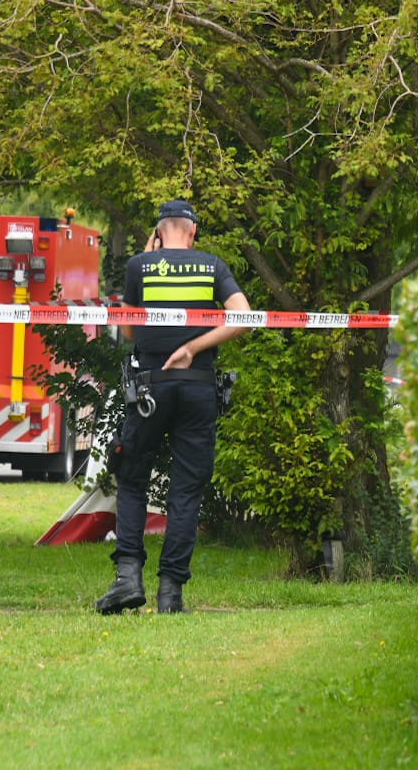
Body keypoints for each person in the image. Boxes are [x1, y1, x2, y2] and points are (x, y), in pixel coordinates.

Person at [96, 198, 250, 616]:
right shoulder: (213, 266)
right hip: (199, 389)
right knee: (186, 489)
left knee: (131, 478)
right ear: (194, 231)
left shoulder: (139, 266)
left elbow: (129, 330)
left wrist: (147, 260)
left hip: (149, 389)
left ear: (160, 231)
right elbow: (243, 317)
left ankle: (128, 579)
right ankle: (171, 595)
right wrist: (192, 348)